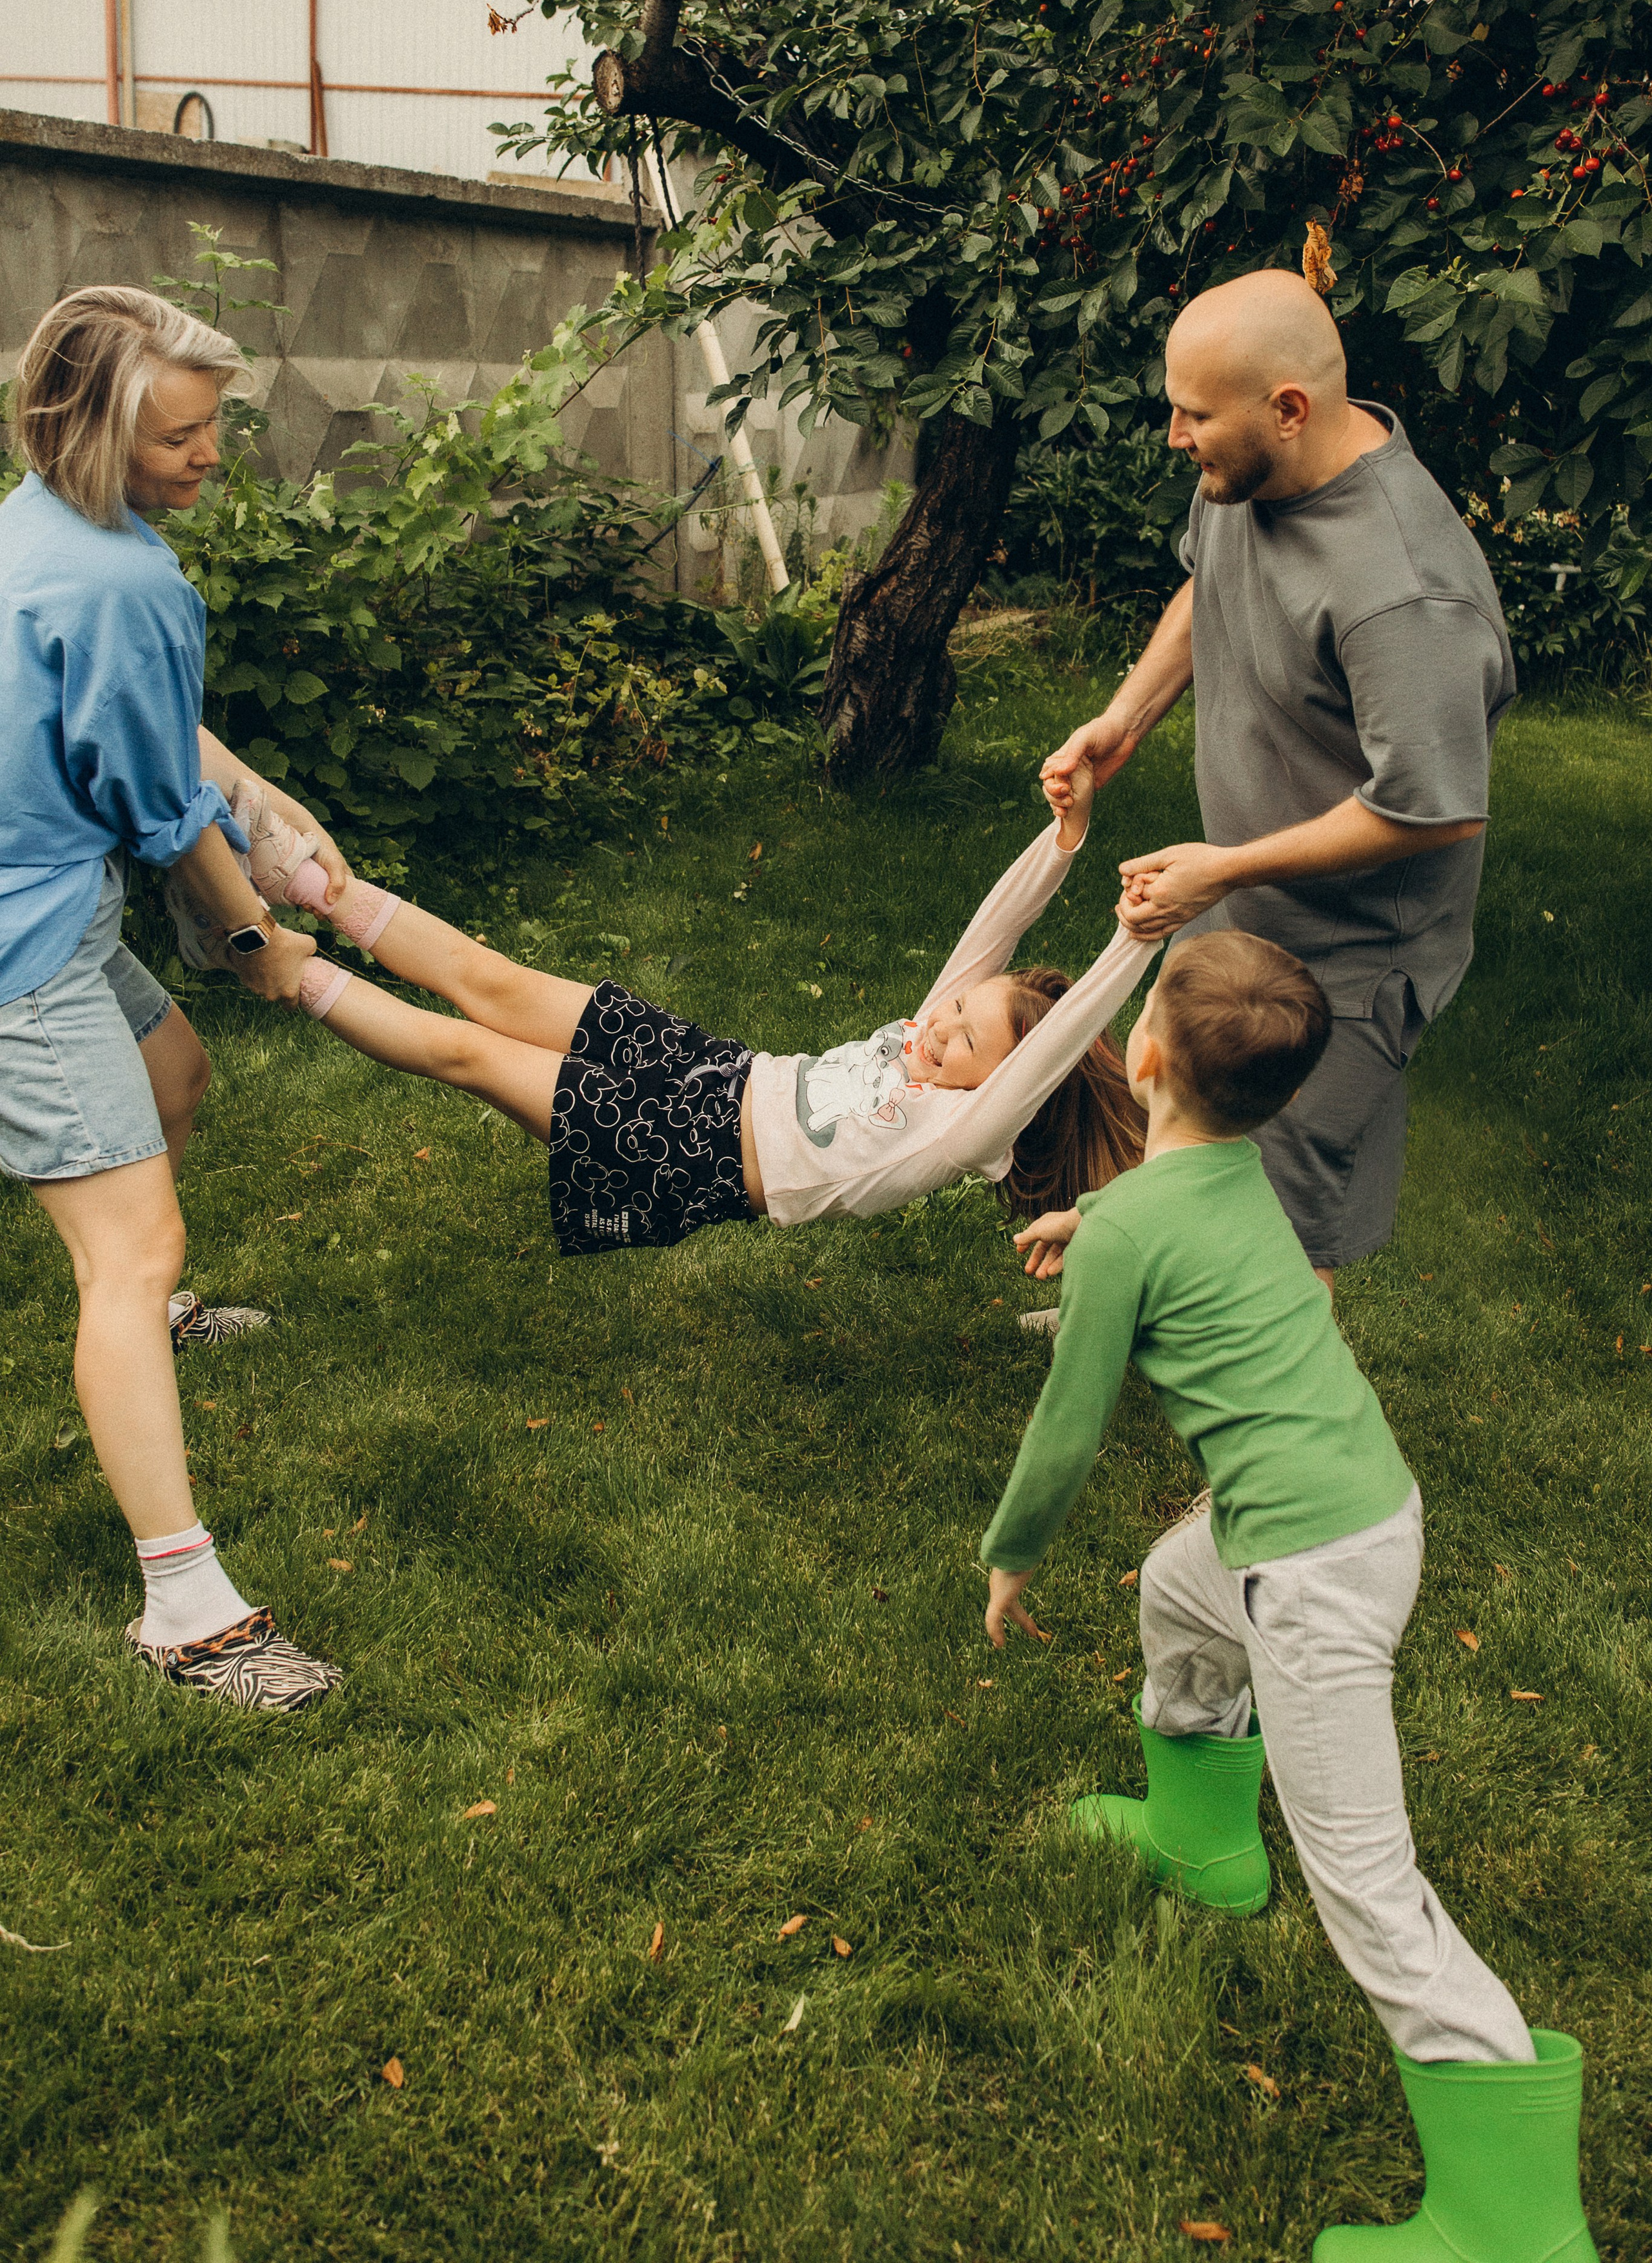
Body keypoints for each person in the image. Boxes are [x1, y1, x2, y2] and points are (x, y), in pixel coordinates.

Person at [980, 932, 1596, 2262]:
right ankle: (1203, 1848)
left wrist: (1009, 1551)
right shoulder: (1230, 1174)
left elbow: (1070, 1419)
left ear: (1135, 1054)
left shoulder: (1138, 1222)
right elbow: (1171, 1213)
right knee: (1176, 1590)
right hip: (1358, 1507)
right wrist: (1096, 1223)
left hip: (1312, 1573)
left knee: (1369, 1887)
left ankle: (1514, 2225)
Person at [1, 286, 347, 1710]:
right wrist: (257, 931)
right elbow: (159, 816)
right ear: (94, 435)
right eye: (182, 439)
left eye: (215, 429)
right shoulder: (121, 580)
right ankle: (187, 1609)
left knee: (174, 1078)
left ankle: (152, 1321)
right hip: (21, 948)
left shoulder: (49, 524)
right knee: (126, 1251)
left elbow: (145, 736)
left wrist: (258, 797)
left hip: (52, 906)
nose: (212, 458)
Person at [1043, 269, 1516, 1290]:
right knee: (1176, 1129)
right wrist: (1123, 719)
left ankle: (1272, 1418)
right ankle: (1144, 1321)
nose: (1175, 436)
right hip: (1239, 903)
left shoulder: (1406, 589)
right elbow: (1205, 579)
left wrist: (1225, 867)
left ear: (1288, 410)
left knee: (1284, 1212)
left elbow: (1430, 811)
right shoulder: (1246, 472)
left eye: (1192, 415)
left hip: (1350, 955)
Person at [215, 759, 1153, 1252]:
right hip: (718, 1067)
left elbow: (1055, 1043)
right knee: (493, 980)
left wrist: (1134, 942)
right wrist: (1062, 840)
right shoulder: (931, 1034)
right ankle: (307, 884)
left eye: (964, 1039)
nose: (941, 1026)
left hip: (699, 1153)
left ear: (1006, 1087)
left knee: (471, 1053)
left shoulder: (966, 1127)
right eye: (956, 1013)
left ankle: (286, 970)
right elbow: (992, 935)